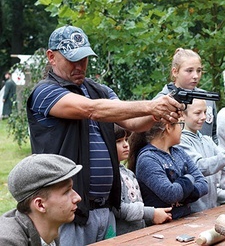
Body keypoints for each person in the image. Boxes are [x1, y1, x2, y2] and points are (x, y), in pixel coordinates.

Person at [26, 25, 184, 245]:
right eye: (73, 59)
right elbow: (91, 110)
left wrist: (161, 111)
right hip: (65, 211)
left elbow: (135, 123)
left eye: (84, 58)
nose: (80, 65)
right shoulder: (45, 92)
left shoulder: (99, 90)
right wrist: (151, 106)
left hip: (104, 209)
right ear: (51, 57)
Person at [128, 120, 208, 219]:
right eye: (180, 124)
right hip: (161, 227)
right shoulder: (148, 158)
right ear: (168, 127)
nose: (181, 129)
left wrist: (182, 192)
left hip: (185, 219)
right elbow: (170, 194)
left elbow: (204, 184)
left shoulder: (179, 152)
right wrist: (190, 178)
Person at [0, 154, 82, 246]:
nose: (77, 198)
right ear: (40, 205)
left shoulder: (49, 229)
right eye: (66, 192)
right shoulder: (7, 242)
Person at [112, 124, 172, 235]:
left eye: (126, 140)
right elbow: (118, 209)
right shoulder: (111, 175)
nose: (125, 145)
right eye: (118, 141)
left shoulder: (129, 173)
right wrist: (152, 213)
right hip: (123, 237)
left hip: (139, 233)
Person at [154, 48, 219, 144]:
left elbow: (213, 135)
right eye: (189, 71)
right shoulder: (160, 101)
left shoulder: (207, 99)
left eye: (199, 70)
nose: (196, 76)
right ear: (175, 72)